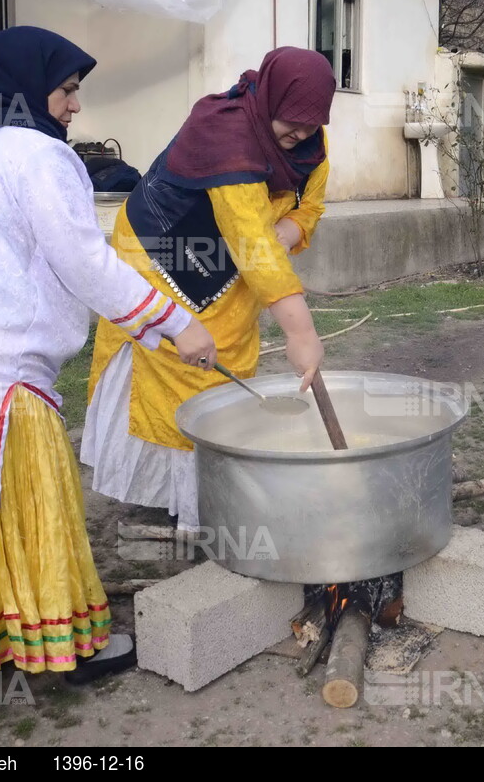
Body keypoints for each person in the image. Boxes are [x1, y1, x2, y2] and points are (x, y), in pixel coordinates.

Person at [0, 26, 217, 685]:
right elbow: (83, 261)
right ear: (26, 87)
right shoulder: (37, 155)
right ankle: (59, 646)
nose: (76, 107)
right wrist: (176, 322)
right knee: (27, 504)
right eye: (68, 90)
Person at [81, 47, 333, 532]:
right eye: (292, 122)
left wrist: (291, 231)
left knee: (229, 359)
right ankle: (195, 506)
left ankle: (206, 487)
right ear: (271, 96)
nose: (300, 135)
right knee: (186, 362)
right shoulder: (227, 132)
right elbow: (251, 240)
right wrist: (301, 335)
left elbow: (308, 210)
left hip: (237, 256)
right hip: (163, 249)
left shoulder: (310, 146)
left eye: (310, 124)